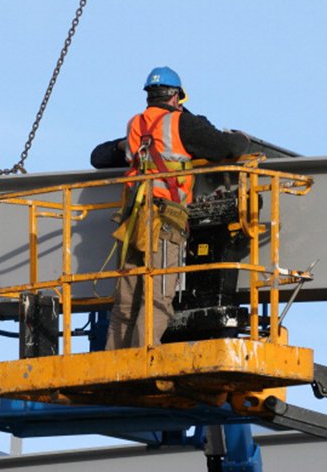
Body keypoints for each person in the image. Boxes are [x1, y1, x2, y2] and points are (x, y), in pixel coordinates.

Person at [92, 66, 249, 349]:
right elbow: (224, 147)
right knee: (158, 296)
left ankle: (115, 359)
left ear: (149, 96)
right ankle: (144, 356)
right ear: (176, 97)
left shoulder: (135, 125)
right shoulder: (182, 124)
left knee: (126, 299)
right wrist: (243, 139)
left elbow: (99, 156)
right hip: (164, 221)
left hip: (132, 221)